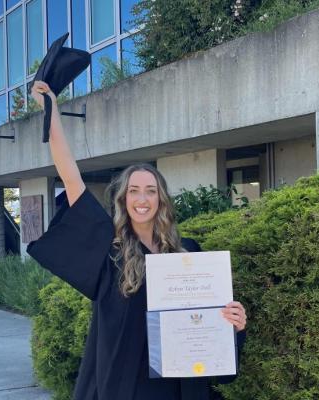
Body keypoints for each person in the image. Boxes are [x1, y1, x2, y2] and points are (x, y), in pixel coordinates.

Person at [27, 80, 248, 400]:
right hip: (126, 388)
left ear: (161, 199)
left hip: (179, 389)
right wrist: (52, 113)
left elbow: (209, 330)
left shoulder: (189, 254)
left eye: (150, 190)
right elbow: (72, 181)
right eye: (134, 190)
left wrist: (234, 323)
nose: (142, 198)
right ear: (123, 199)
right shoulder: (109, 253)